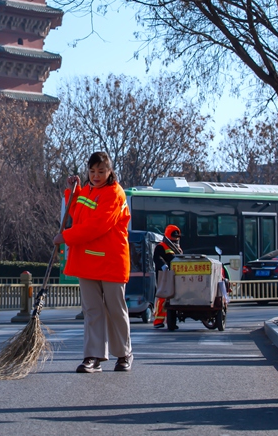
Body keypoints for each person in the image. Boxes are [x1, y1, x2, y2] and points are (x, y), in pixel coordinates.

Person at [53, 151, 133, 373]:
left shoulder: (115, 194)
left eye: (101, 171)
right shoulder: (88, 189)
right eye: (92, 171)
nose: (96, 175)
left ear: (110, 172)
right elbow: (78, 214)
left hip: (111, 261)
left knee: (116, 309)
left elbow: (97, 226)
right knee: (92, 310)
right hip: (87, 260)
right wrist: (74, 191)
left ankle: (124, 354)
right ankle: (93, 356)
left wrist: (66, 236)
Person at [152, 224, 183, 329]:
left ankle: (171, 322)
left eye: (177, 236)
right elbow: (156, 257)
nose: (176, 238)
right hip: (164, 276)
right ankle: (158, 321)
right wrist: (163, 265)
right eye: (174, 236)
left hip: (175, 276)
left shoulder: (177, 248)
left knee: (173, 299)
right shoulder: (161, 246)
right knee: (163, 297)